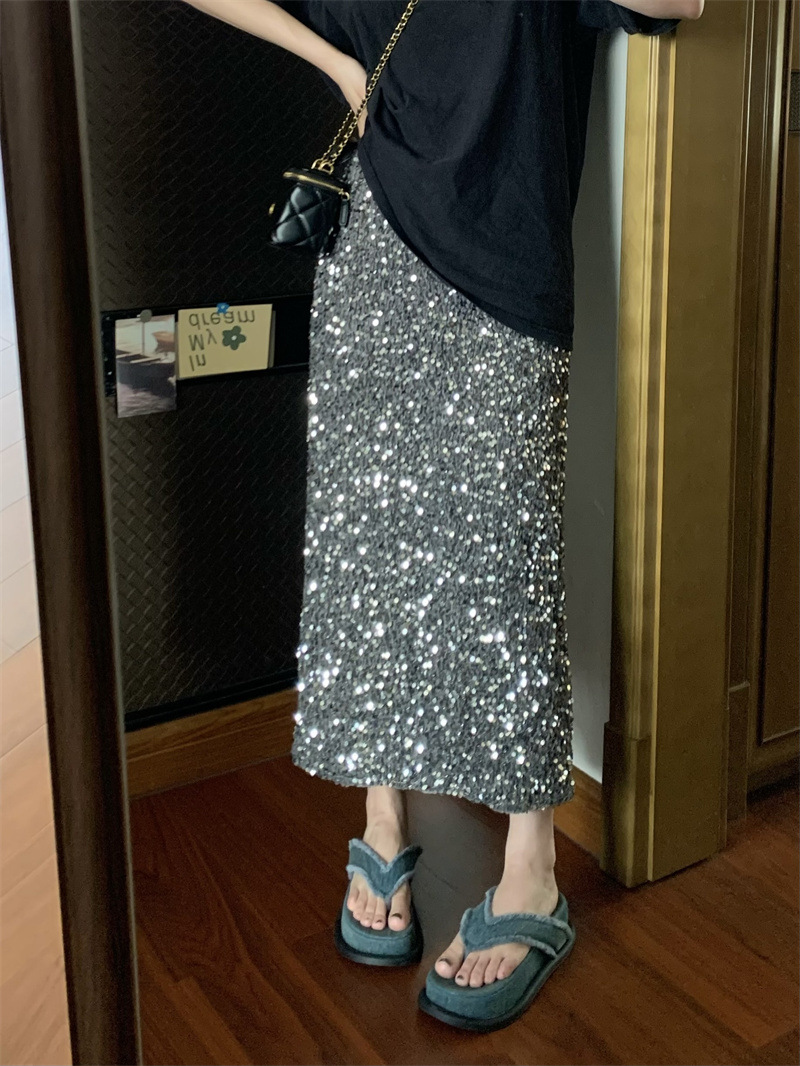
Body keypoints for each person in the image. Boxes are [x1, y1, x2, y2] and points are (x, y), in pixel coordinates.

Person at [185, 0, 702, 1033]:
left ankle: (531, 870)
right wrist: (334, 63)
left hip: (507, 259)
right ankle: (381, 821)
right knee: (365, 549)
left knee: (508, 561)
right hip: (374, 252)